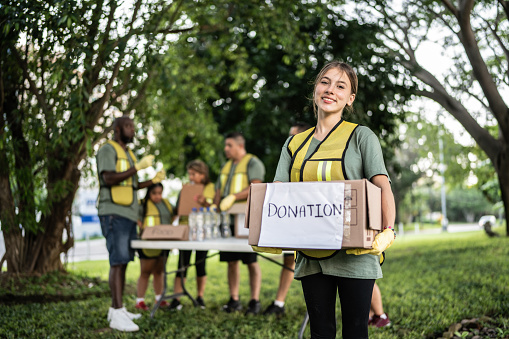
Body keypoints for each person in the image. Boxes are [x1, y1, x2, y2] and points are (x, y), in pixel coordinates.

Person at [272, 61, 396, 338]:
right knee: (321, 331)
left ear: (350, 98)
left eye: (341, 86)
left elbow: (382, 186)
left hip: (355, 252)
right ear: (315, 89)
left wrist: (388, 230)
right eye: (325, 82)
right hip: (310, 253)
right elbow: (280, 193)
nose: (330, 90)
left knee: (355, 331)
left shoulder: (361, 137)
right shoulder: (293, 144)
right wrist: (266, 228)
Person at [97, 115, 165, 332]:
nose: (132, 130)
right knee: (117, 261)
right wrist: (137, 168)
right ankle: (117, 313)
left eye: (133, 126)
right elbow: (108, 178)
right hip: (113, 213)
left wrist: (152, 181)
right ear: (117, 129)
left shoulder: (128, 153)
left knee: (124, 260)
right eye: (128, 126)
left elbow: (132, 186)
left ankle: (117, 309)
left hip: (127, 213)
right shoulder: (108, 149)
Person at [214, 132, 266, 315]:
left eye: (229, 145)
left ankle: (254, 300)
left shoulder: (253, 162)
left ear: (239, 146)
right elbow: (218, 191)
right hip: (227, 221)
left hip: (246, 221)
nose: (226, 149)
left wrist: (234, 196)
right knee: (231, 261)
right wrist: (214, 205)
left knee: (251, 261)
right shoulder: (225, 166)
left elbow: (256, 186)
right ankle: (234, 299)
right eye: (225, 145)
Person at [263, 121, 311, 317]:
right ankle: (279, 303)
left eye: (293, 136)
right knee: (288, 260)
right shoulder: (290, 159)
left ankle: (377, 313)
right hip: (294, 220)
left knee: (346, 265)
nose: (289, 140)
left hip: (316, 221)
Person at [169, 160, 215, 310]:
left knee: (200, 264)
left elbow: (214, 207)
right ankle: (176, 298)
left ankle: (200, 297)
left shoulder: (210, 188)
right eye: (189, 174)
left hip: (202, 230)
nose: (191, 177)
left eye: (194, 174)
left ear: (202, 174)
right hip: (185, 231)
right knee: (182, 264)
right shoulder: (186, 189)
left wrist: (205, 203)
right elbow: (178, 209)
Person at [135, 183, 174, 311]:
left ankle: (160, 298)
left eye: (160, 193)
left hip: (164, 243)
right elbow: (136, 218)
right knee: (145, 272)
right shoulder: (142, 205)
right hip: (147, 243)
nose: (157, 196)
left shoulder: (166, 204)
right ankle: (140, 301)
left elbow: (174, 214)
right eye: (154, 193)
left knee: (159, 271)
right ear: (149, 193)